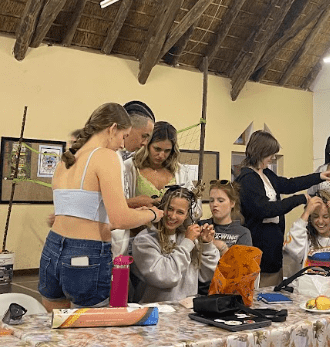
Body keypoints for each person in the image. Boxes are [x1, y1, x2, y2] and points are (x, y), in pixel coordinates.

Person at [38, 103, 163, 311]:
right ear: (113, 128)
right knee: (93, 332)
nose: (123, 145)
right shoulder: (105, 156)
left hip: (52, 249)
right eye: (124, 136)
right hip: (86, 254)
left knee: (56, 325)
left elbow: (86, 216)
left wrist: (135, 212)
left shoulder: (66, 161)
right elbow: (119, 219)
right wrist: (152, 214)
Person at [235, 130, 326, 287]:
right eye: (270, 154)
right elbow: (265, 209)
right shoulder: (248, 179)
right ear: (261, 152)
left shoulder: (265, 173)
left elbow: (289, 184)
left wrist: (318, 177)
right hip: (259, 246)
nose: (273, 158)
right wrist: (299, 199)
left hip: (272, 248)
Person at [131, 186, 218, 302]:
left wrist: (207, 245)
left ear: (187, 215)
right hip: (156, 312)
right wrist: (187, 243)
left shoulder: (189, 238)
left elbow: (207, 276)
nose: (172, 216)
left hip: (186, 311)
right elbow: (166, 277)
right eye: (170, 209)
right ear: (162, 207)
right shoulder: (144, 239)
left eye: (180, 212)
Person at [111, 100, 155, 258]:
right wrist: (145, 210)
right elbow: (100, 209)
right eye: (144, 136)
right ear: (128, 127)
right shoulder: (107, 157)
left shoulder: (120, 157)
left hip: (119, 251)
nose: (144, 143)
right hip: (102, 253)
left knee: (121, 283)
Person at [198, 180, 252, 294]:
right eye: (211, 200)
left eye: (220, 200)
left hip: (228, 291)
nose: (214, 204)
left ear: (232, 203)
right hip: (201, 290)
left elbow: (242, 271)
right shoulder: (201, 226)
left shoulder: (243, 233)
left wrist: (222, 247)